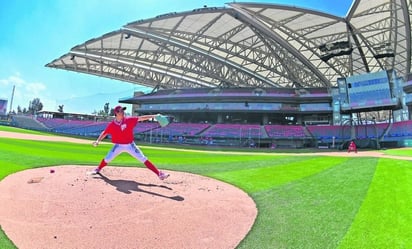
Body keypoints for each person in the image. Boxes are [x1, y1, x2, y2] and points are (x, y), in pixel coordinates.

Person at [89, 105, 169, 180]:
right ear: (116, 113)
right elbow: (105, 132)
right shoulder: (112, 125)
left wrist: (154, 116)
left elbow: (140, 118)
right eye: (121, 111)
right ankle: (98, 169)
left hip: (130, 145)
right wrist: (98, 141)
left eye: (123, 111)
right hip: (118, 145)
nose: (123, 112)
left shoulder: (128, 120)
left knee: (143, 158)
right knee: (107, 158)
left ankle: (159, 174)